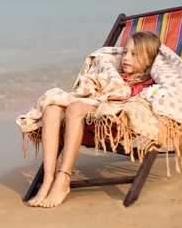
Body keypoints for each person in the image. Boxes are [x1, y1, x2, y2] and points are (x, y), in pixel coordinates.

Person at [28, 31, 161, 208]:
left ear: (149, 60)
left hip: (109, 120)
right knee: (51, 109)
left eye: (134, 54)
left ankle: (64, 177)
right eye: (125, 52)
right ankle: (48, 179)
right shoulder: (113, 73)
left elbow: (142, 103)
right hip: (90, 108)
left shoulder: (148, 84)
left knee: (75, 108)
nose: (126, 58)